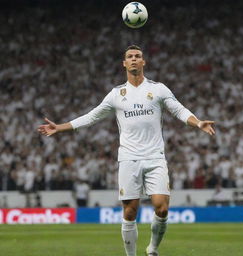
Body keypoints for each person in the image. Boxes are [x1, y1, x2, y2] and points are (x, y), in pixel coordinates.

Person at [38, 45, 215, 256]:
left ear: (143, 62)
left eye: (137, 56)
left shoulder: (158, 89)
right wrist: (60, 127)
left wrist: (198, 123)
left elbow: (178, 109)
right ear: (124, 63)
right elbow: (92, 116)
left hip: (155, 157)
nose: (133, 59)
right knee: (130, 212)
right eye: (129, 57)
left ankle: (153, 249)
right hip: (129, 159)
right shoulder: (116, 94)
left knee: (162, 208)